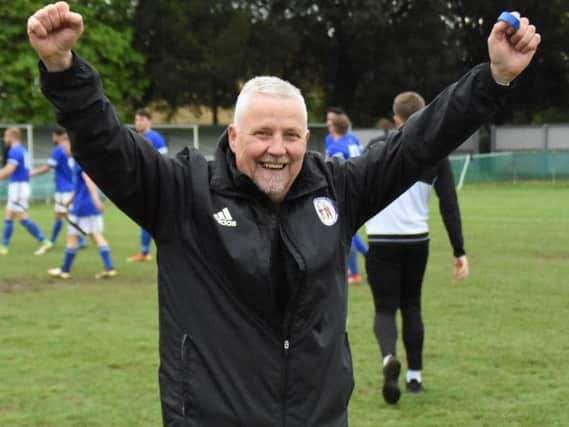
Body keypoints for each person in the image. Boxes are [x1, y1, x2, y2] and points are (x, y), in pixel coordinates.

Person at [28, 3, 540, 425]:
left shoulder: (338, 189)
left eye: (292, 135)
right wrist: (63, 70)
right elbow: (105, 147)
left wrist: (492, 78)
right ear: (232, 137)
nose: (278, 149)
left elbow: (418, 142)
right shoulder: (182, 193)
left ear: (307, 138)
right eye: (263, 133)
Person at [365, 91, 470, 405]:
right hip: (416, 240)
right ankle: (414, 378)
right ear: (425, 115)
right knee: (412, 306)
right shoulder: (436, 155)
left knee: (385, 308)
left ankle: (388, 360)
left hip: (381, 240)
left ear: (396, 118)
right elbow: (449, 205)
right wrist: (459, 251)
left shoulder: (376, 148)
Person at [48, 162, 117, 279]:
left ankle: (64, 270)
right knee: (96, 236)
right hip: (89, 206)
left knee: (72, 237)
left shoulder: (80, 160)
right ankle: (109, 268)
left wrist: (96, 200)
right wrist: (69, 200)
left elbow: (88, 179)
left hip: (82, 207)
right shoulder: (87, 158)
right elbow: (79, 186)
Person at [326, 113, 368, 283]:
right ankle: (356, 272)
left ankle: (363, 263)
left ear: (334, 127)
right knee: (349, 230)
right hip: (362, 188)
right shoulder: (353, 140)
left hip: (347, 192)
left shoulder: (335, 148)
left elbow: (332, 173)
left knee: (346, 229)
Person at [0, 127, 52, 256]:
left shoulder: (15, 150)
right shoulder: (23, 150)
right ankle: (4, 246)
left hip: (18, 187)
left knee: (22, 216)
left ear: (12, 136)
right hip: (19, 185)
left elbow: (9, 170)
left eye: (6, 136)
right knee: (9, 216)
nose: (5, 139)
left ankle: (44, 241)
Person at [30, 128, 86, 248]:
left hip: (63, 189)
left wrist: (32, 173)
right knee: (63, 215)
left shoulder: (59, 150)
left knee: (63, 215)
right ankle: (76, 239)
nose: (52, 138)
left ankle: (62, 240)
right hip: (70, 187)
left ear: (58, 137)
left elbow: (48, 167)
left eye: (53, 136)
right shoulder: (70, 149)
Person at [127, 108, 168, 262]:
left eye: (141, 119)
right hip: (143, 183)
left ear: (148, 121)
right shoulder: (136, 137)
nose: (137, 122)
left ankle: (146, 252)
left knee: (151, 218)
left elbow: (163, 161)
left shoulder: (155, 138)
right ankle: (145, 252)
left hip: (154, 183)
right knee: (146, 218)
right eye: (136, 119)